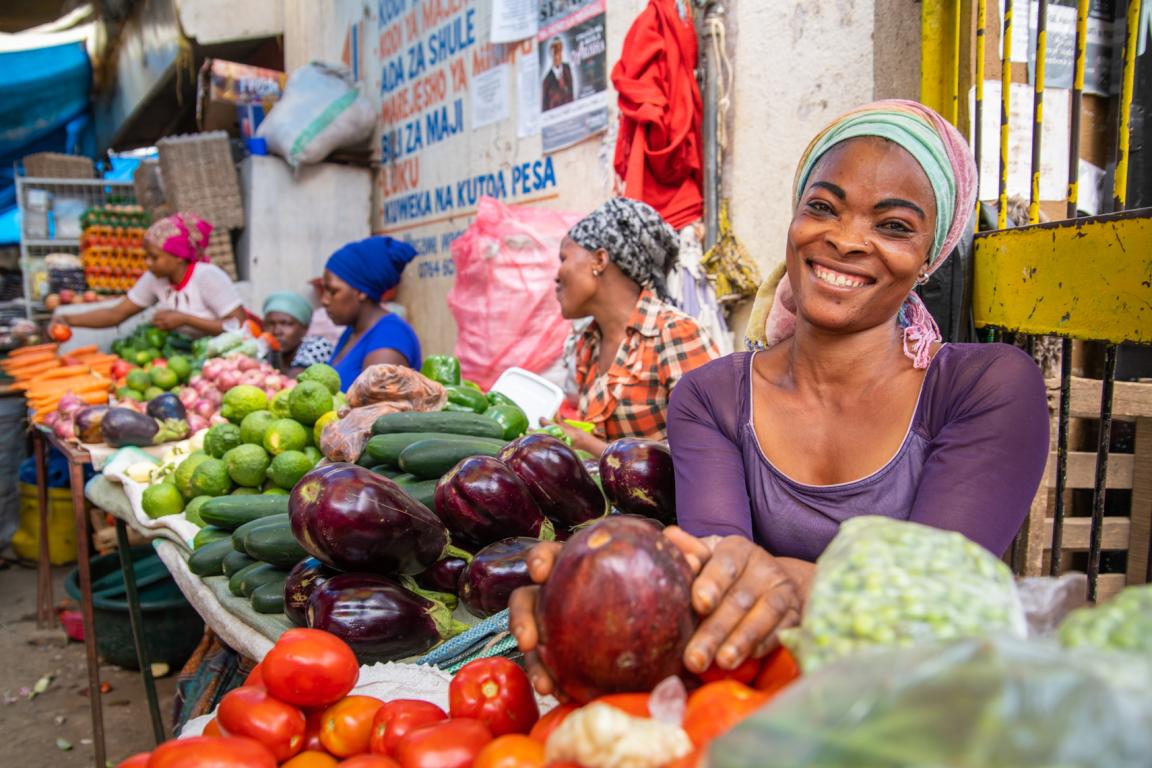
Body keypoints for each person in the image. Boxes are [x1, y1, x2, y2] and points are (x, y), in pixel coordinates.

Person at [510, 101, 1049, 694]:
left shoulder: (985, 387)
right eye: (823, 207)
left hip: (932, 713)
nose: (845, 239)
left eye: (893, 225)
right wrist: (595, 587)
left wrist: (786, 584)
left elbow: (937, 592)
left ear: (930, 257)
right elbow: (720, 569)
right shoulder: (711, 398)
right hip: (773, 706)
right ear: (794, 219)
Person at [553, 197, 720, 456]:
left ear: (599, 260)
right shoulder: (588, 342)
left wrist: (586, 444)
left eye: (564, 258)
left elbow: (706, 453)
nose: (557, 275)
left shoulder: (675, 335)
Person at [58, 212, 245, 337]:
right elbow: (115, 314)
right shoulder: (155, 277)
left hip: (222, 361)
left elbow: (237, 324)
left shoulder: (206, 276)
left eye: (154, 257)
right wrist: (67, 319)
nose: (148, 263)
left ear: (179, 257)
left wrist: (185, 319)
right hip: (183, 357)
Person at [323, 236, 422, 391]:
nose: (324, 300)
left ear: (361, 292)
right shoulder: (352, 332)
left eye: (332, 291)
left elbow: (376, 409)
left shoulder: (391, 337)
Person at [262, 291, 334, 377]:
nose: (277, 331)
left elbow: (292, 384)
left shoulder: (317, 346)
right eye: (271, 324)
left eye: (286, 323)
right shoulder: (264, 352)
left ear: (305, 328)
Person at [542, 36, 575, 110]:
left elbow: (571, 93)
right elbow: (545, 107)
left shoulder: (567, 69)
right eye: (555, 53)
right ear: (551, 55)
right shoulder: (546, 81)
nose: (557, 56)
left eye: (559, 51)